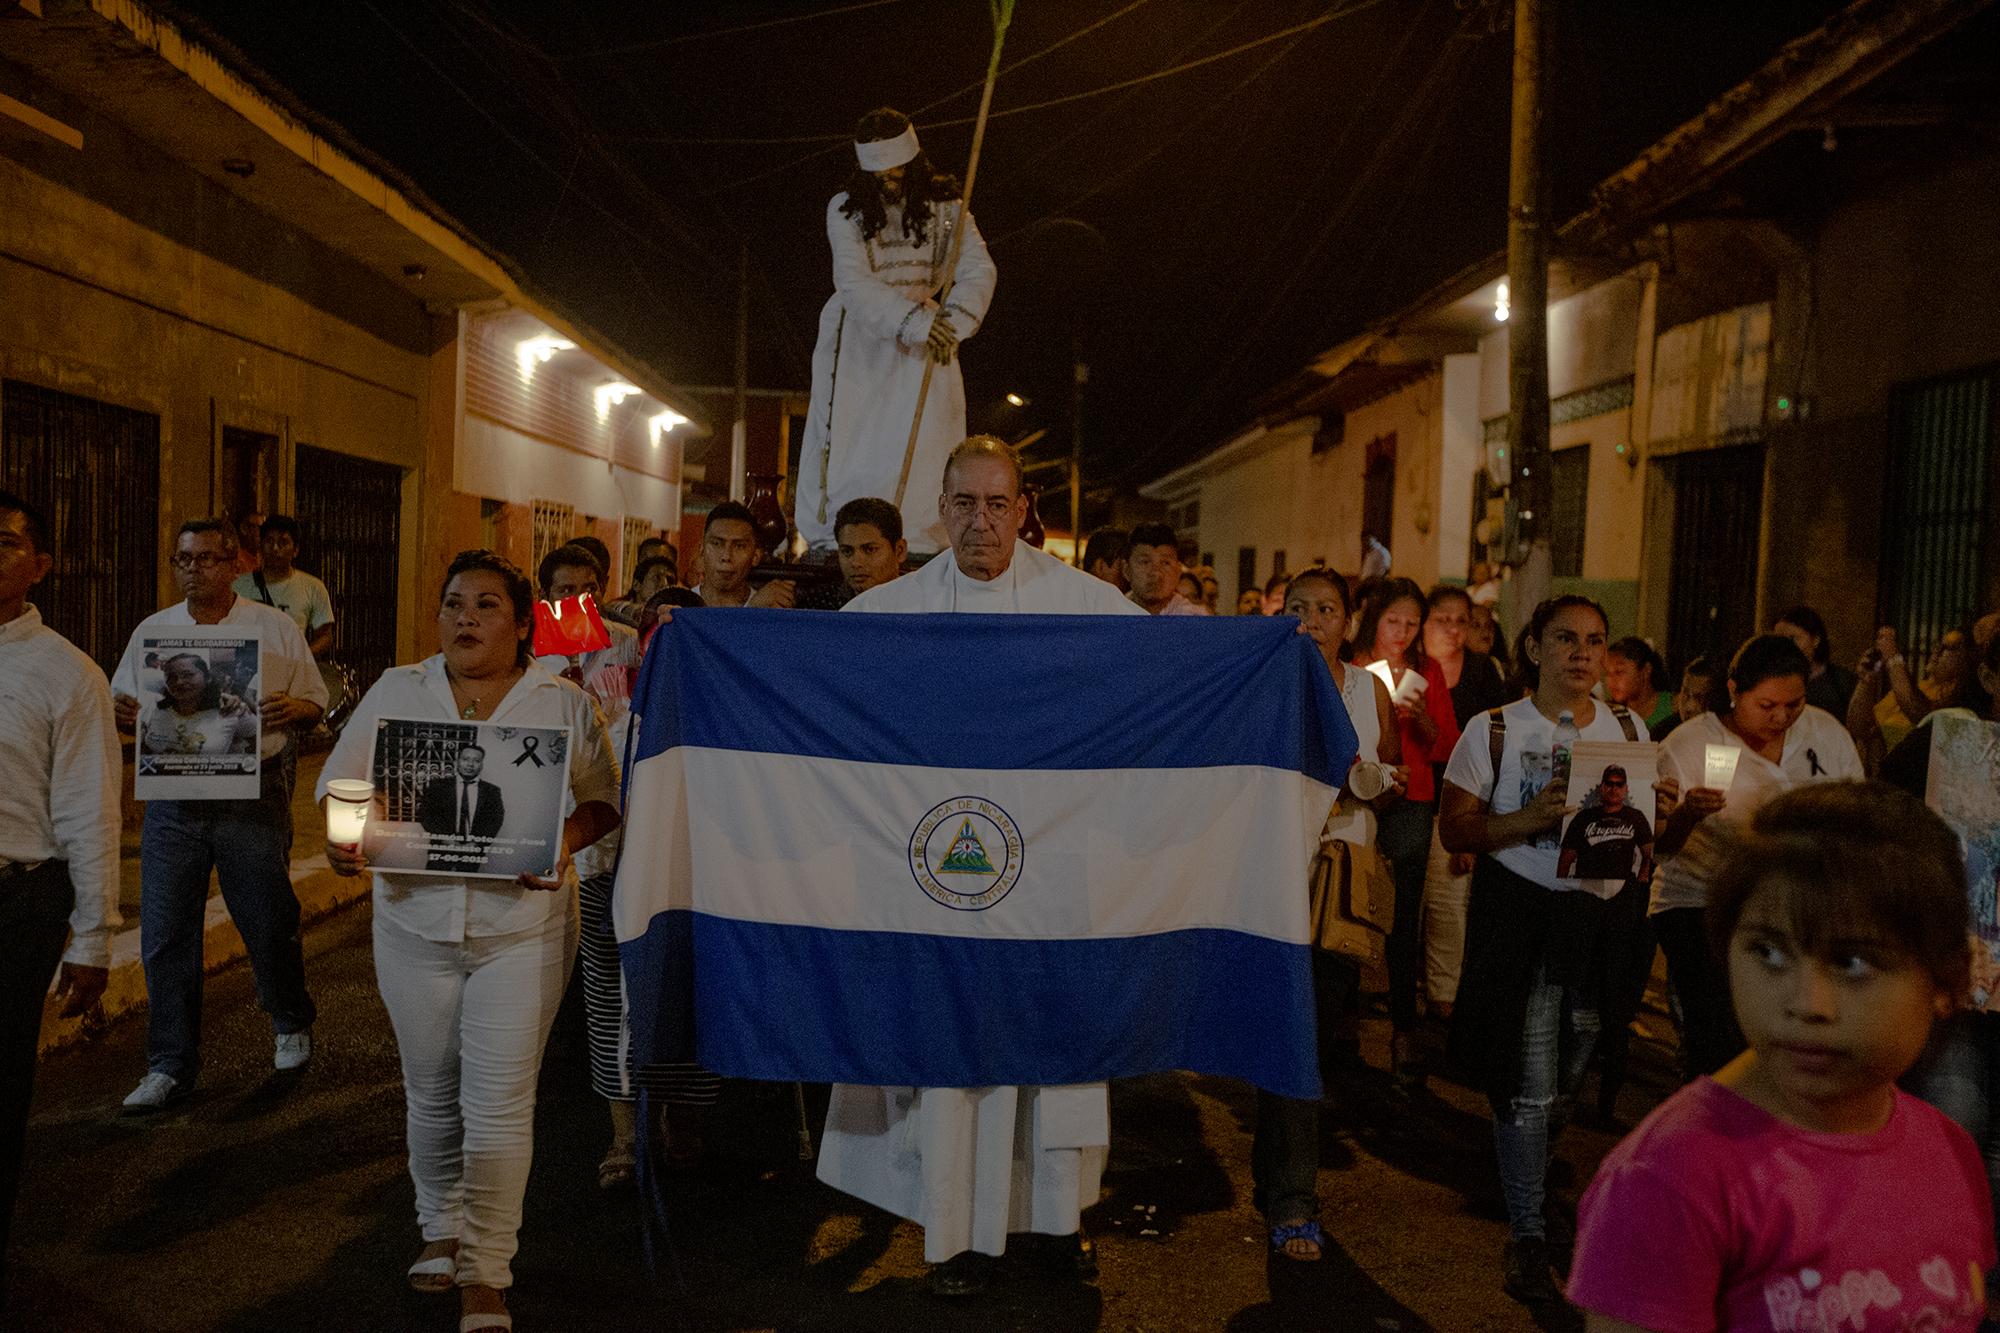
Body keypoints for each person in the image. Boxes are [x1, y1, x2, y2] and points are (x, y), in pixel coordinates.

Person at [816, 436, 1140, 1297]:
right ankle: (951, 1229)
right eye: (964, 503)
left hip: (1051, 888)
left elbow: (1165, 682)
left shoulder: (1088, 606)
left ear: (1024, 508)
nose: (982, 522)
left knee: (1054, 1058)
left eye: (999, 504)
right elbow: (824, 706)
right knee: (948, 1060)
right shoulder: (889, 616)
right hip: (938, 885)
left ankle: (1060, 1221)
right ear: (941, 507)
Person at [1568, 784, 1995, 1333]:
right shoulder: (1670, 1180)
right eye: (1768, 952)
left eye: (1853, 962)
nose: (1804, 1004)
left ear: (1945, 979)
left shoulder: (1951, 1152)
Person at [321, 550, 620, 1333]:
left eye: (488, 605)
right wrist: (341, 841)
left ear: (524, 625)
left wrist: (564, 836)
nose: (466, 618)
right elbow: (339, 787)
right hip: (412, 926)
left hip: (520, 935)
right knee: (429, 1090)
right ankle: (438, 1228)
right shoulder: (397, 690)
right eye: (454, 603)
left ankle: (486, 1270)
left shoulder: (559, 703)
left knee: (497, 1104)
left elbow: (604, 800)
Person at [1439, 595, 1651, 1304]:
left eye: (1595, 639)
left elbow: (1642, 840)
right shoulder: (1494, 728)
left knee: (1571, 1073)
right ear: (1533, 647)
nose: (1582, 653)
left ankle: (1530, 1175)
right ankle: (1528, 1232)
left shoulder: (1627, 729)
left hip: (1600, 921)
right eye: (1565, 638)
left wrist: (1670, 816)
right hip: (1523, 918)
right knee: (1528, 1084)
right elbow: (1456, 831)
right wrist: (1525, 819)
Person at [112, 518, 327, 1114]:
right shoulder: (154, 632)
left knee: (265, 916)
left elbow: (315, 704)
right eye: (184, 560)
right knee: (165, 932)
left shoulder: (274, 628)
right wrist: (125, 717)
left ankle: (288, 1019)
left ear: (234, 565)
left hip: (249, 795)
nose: (194, 570)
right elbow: (122, 705)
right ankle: (170, 1065)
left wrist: (296, 709)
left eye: (208, 559)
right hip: (174, 804)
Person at [1254, 568, 1403, 1264]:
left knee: (1308, 1033)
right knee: (1288, 1030)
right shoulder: (1259, 679)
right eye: (1298, 608)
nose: (1312, 619)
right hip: (1272, 873)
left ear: (1349, 620)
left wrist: (1374, 782)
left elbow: (1392, 776)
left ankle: (1284, 1183)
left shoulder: (1370, 690)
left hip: (1340, 880)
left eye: (1327, 608)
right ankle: (1290, 1194)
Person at [0, 492, 119, 1296]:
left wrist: (92, 934)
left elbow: (87, 807)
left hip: (14, 901)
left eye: (4, 542)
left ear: (38, 565)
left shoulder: (66, 672)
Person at [1650, 634, 1863, 1082]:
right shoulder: (1689, 744)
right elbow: (1658, 846)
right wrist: (1688, 813)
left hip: (1797, 903)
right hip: (1701, 902)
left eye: (1794, 704)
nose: (1782, 717)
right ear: (1733, 690)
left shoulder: (1824, 735)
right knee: (1720, 1037)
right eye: (1767, 706)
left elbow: (1856, 815)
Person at [796, 108, 997, 557]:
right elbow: (853, 282)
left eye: (897, 172)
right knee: (853, 439)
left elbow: (977, 268)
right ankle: (842, 537)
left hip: (931, 345)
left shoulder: (948, 209)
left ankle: (923, 537)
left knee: (929, 438)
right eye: (880, 175)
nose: (890, 181)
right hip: (860, 339)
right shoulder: (845, 208)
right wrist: (916, 324)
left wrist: (952, 323)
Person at [576, 584, 720, 1190]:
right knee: (609, 995)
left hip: (691, 871)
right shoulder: (601, 679)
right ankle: (624, 1134)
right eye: (657, 627)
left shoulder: (718, 692)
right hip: (607, 864)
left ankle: (684, 1122)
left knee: (691, 990)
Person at [1883, 631, 2000, 1244]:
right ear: (1991, 681)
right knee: (1953, 1136)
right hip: (1961, 991)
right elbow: (1886, 817)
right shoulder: (1950, 744)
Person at [1351, 577, 1461, 1079]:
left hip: (1412, 801)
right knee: (1349, 902)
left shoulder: (1427, 673)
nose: (1402, 631)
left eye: (1412, 623)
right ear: (1375, 619)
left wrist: (1421, 720)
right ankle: (1342, 1020)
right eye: (1393, 620)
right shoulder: (1353, 670)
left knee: (1403, 914)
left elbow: (1446, 748)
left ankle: (1402, 1026)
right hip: (1358, 797)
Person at [1420, 585, 1512, 1022]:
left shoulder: (1482, 673)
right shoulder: (1410, 669)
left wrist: (1474, 829)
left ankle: (1444, 996)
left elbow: (1494, 752)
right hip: (1408, 796)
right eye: (1444, 619)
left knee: (1449, 906)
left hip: (1454, 805)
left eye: (1463, 621)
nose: (1455, 629)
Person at [1847, 623, 1975, 773]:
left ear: (1969, 657)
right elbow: (1859, 728)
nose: (1936, 651)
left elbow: (1920, 713)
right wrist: (1866, 681)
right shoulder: (1921, 687)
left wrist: (1893, 659)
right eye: (1938, 645)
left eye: (1948, 647)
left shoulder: (1961, 699)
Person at [535, 542, 640, 683]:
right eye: (567, 590)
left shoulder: (629, 644)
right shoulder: (528, 653)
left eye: (590, 589)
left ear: (602, 590)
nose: (581, 599)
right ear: (544, 596)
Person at [232, 515, 335, 659]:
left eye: (283, 542)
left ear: (295, 550)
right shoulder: (238, 587)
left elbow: (325, 636)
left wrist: (301, 659)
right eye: (269, 541)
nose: (275, 548)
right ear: (260, 546)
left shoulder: (313, 587)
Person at [137, 652, 259, 756]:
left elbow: (260, 745)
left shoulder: (232, 710)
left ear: (207, 678)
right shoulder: (156, 708)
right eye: (171, 677)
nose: (179, 682)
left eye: (188, 675)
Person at [415, 744, 505, 875]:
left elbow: (495, 821)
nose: (470, 764)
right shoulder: (438, 786)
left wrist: (476, 844)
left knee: (466, 888)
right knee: (433, 886)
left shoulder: (492, 791)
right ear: (457, 762)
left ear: (482, 765)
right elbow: (426, 815)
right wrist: (446, 840)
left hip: (472, 852)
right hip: (441, 848)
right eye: (465, 759)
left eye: (476, 761)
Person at [1556, 766, 1654, 883]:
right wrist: (1561, 886)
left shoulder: (1636, 816)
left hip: (1622, 889)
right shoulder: (1583, 817)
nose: (1613, 789)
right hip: (1586, 887)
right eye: (1609, 784)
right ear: (1602, 787)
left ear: (1626, 789)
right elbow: (1565, 858)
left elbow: (1649, 854)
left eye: (1619, 784)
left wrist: (1641, 884)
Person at [693, 501, 794, 609]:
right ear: (702, 550)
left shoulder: (768, 606)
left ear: (755, 556)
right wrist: (751, 611)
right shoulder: (680, 606)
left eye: (739, 546)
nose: (726, 556)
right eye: (716, 543)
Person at [1773, 604, 1858, 720]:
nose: (1785, 647)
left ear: (1815, 640)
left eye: (1793, 639)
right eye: (1778, 640)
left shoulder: (1841, 682)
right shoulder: (1769, 681)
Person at [1125, 523, 1206, 616]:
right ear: (1127, 570)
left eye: (1165, 563)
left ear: (1178, 571)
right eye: (1145, 562)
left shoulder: (1195, 618)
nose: (1156, 573)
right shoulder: (1111, 612)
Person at [834, 496, 909, 596]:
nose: (856, 563)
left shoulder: (925, 601)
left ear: (899, 551)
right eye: (847, 551)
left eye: (870, 550)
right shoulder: (821, 604)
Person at [1602, 637, 1674, 734]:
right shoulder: (1606, 713)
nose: (1611, 680)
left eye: (1619, 672)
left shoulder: (1674, 707)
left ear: (1646, 670)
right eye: (1607, 673)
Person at [1649, 654, 1714, 743]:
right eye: (1686, 694)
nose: (1689, 707)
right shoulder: (1662, 734)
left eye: (1699, 698)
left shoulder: (1725, 736)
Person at [601, 555, 676, 629]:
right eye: (657, 578)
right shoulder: (615, 609)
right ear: (636, 585)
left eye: (670, 580)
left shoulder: (674, 619)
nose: (665, 584)